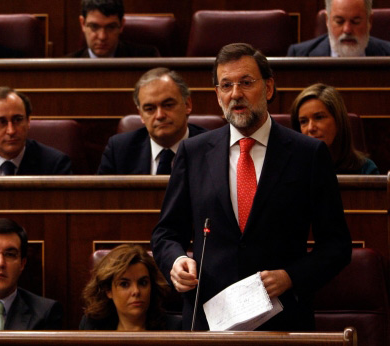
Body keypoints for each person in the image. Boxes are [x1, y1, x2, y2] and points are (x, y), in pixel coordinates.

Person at [151, 43, 352, 331]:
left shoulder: (308, 154)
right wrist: (177, 260)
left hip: (282, 320)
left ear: (268, 88)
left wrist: (291, 276)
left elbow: (337, 245)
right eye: (226, 85)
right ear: (217, 96)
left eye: (246, 83)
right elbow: (166, 233)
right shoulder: (193, 153)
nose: (236, 94)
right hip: (208, 320)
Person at [98, 67, 206, 174]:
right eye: (150, 109)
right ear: (141, 114)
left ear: (187, 105)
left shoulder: (213, 148)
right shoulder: (119, 150)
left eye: (168, 105)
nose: (159, 115)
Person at [80, 244, 179, 331]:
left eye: (143, 283)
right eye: (124, 284)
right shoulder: (93, 326)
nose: (136, 291)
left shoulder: (175, 328)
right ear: (108, 290)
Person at [290, 83, 379, 174]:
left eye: (319, 117)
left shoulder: (365, 169)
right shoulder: (291, 168)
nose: (310, 128)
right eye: (303, 121)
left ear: (338, 121)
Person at [287, 0, 390, 57]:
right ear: (327, 20)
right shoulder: (300, 55)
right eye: (339, 21)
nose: (347, 30)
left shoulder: (387, 54)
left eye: (355, 22)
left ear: (369, 21)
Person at [67, 0, 160, 58]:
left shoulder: (148, 59)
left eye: (110, 27)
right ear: (82, 24)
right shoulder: (65, 67)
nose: (102, 37)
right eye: (94, 27)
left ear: (122, 25)